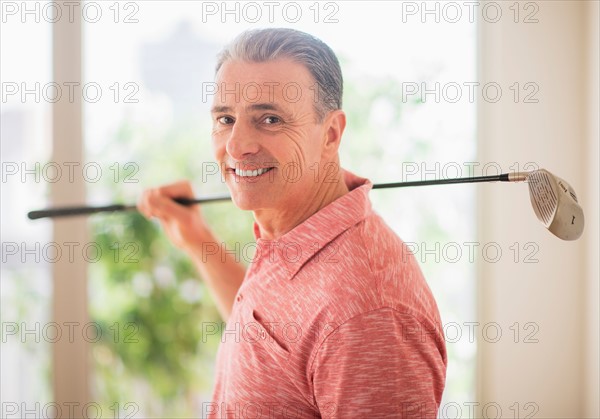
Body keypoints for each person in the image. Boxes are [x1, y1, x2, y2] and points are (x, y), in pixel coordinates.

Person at [138, 28, 447, 418]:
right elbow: (273, 345)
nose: (236, 146)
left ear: (331, 134)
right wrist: (197, 240)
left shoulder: (369, 314)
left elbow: (332, 321)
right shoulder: (295, 229)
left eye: (269, 119)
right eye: (226, 118)